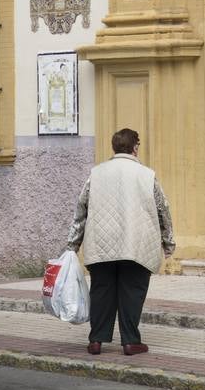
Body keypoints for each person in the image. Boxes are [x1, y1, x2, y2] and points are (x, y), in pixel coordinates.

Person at [67, 127, 175, 355]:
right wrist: (168, 242)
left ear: (114, 147)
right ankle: (130, 341)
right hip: (136, 244)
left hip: (101, 243)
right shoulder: (147, 175)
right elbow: (162, 209)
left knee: (101, 291)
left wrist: (73, 245)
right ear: (135, 147)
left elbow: (81, 209)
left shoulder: (95, 174)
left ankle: (96, 340)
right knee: (132, 292)